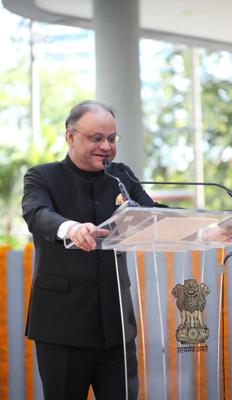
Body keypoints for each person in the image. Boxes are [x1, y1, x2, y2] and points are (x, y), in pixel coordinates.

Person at [21, 100, 158, 399]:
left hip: (117, 329)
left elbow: (154, 215)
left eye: (111, 139)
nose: (106, 146)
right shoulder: (42, 176)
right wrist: (71, 228)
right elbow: (37, 213)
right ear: (70, 136)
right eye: (97, 138)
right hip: (62, 329)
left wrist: (206, 228)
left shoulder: (122, 176)